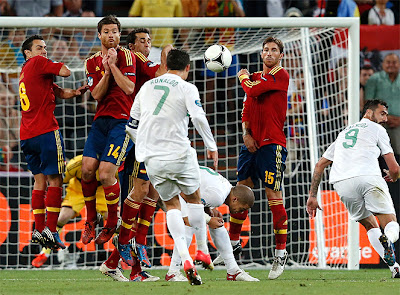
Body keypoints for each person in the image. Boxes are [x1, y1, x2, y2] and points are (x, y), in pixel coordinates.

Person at [126, 49, 218, 285]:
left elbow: (131, 125)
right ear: (187, 68)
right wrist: (211, 145)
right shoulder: (187, 87)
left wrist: (145, 145)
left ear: (166, 65)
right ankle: (201, 249)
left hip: (152, 158)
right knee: (195, 199)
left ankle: (185, 258)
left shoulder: (146, 87)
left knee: (171, 205)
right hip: (178, 152)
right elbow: (198, 117)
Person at [101, 28, 171, 281]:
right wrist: (166, 53)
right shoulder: (135, 62)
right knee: (139, 192)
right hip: (132, 135)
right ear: (131, 46)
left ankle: (127, 262)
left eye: (150, 41)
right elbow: (163, 72)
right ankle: (122, 258)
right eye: (142, 40)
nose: (147, 44)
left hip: (145, 134)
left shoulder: (142, 63)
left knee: (150, 191)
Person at [307, 99, 400, 279]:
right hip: (368, 177)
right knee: (391, 224)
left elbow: (319, 165)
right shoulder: (378, 130)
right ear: (368, 113)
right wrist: (395, 176)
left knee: (370, 224)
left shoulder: (344, 133)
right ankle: (388, 238)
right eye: (382, 113)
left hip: (342, 183)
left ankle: (394, 267)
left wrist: (312, 196)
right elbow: (394, 168)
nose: (385, 118)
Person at [19, 34, 88, 250]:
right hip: (46, 132)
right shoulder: (38, 63)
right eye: (39, 47)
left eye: (45, 47)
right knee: (56, 180)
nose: (44, 51)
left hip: (27, 135)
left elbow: (59, 92)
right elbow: (65, 71)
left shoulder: (26, 73)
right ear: (27, 53)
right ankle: (51, 229)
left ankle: (39, 230)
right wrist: (61, 63)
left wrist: (75, 93)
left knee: (39, 182)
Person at [234, 36, 289, 280]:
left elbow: (252, 89)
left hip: (272, 144)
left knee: (273, 198)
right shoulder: (255, 76)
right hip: (251, 144)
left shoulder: (281, 75)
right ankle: (233, 245)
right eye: (265, 49)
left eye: (273, 50)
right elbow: (246, 107)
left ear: (280, 55)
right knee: (240, 194)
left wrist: (243, 77)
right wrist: (246, 134)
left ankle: (280, 254)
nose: (268, 53)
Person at [81, 15, 135, 246]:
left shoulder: (127, 56)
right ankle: (91, 219)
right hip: (101, 121)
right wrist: (104, 70)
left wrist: (112, 65)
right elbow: (96, 95)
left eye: (115, 31)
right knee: (86, 171)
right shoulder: (91, 61)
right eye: (107, 31)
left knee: (105, 174)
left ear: (120, 35)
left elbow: (129, 87)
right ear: (100, 35)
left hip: (122, 122)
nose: (111, 35)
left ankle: (113, 221)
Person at [166, 166, 259, 282]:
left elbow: (198, 196)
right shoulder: (218, 196)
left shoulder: (225, 187)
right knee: (189, 224)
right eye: (242, 208)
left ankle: (233, 270)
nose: (241, 212)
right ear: (235, 199)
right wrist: (208, 219)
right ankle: (173, 272)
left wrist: (208, 211)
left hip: (176, 181)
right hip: (169, 186)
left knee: (216, 222)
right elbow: (189, 205)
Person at [31, 155, 110, 270]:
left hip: (100, 192)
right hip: (78, 190)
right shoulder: (76, 163)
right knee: (61, 219)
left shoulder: (109, 164)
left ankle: (121, 254)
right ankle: (45, 252)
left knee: (116, 220)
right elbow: (59, 180)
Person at [365, 53, 400, 157]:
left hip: (399, 124)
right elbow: (368, 104)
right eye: (388, 62)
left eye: (394, 62)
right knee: (380, 155)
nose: (391, 65)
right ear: (383, 64)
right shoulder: (373, 79)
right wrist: (385, 118)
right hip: (378, 124)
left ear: (399, 64)